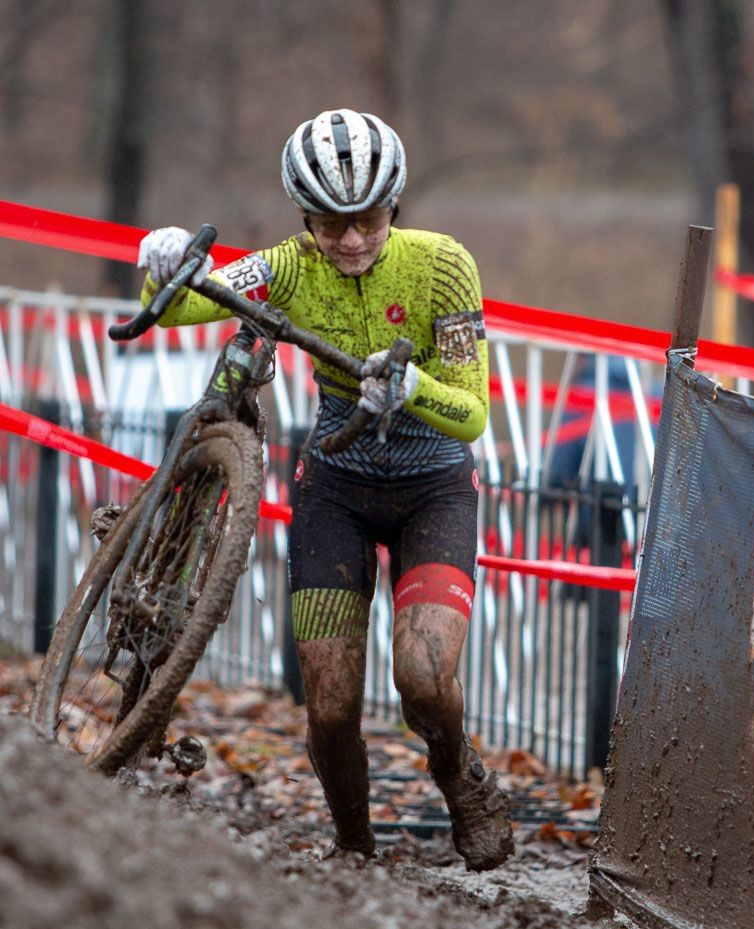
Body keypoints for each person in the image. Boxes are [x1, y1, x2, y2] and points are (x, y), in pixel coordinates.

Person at [133, 109, 514, 870]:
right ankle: (353, 846)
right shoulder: (287, 267)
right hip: (336, 486)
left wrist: (411, 387)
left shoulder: (444, 266)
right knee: (332, 696)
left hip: (432, 485)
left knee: (423, 677)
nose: (349, 240)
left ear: (394, 206)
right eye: (330, 223)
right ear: (305, 218)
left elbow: (472, 413)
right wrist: (163, 258)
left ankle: (458, 775)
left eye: (367, 219)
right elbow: (180, 303)